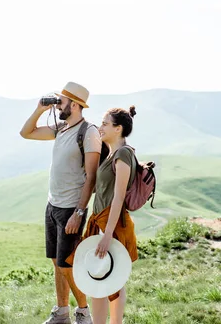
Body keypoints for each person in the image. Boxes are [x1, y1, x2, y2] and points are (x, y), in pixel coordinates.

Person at [19, 82, 100, 324]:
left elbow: (92, 177)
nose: (58, 105)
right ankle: (62, 312)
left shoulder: (89, 132)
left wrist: (79, 211)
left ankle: (84, 312)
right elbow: (26, 133)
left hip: (70, 208)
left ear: (75, 105)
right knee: (56, 262)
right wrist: (39, 109)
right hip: (53, 204)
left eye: (61, 101)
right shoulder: (61, 127)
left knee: (67, 264)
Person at [68, 105, 139, 324]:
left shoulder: (124, 154)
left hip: (112, 223)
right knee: (98, 274)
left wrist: (108, 234)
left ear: (118, 129)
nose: (101, 127)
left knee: (114, 280)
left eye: (106, 124)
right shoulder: (111, 155)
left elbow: (118, 197)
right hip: (100, 220)